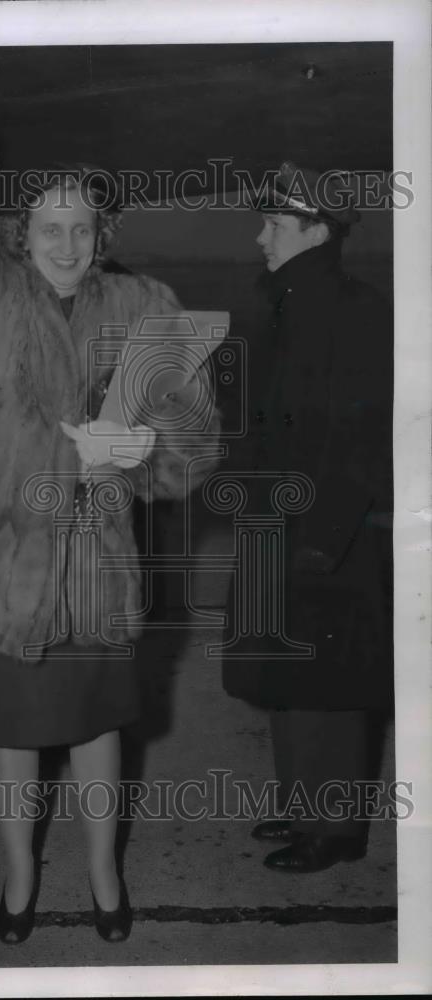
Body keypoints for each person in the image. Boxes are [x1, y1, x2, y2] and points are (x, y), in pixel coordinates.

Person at [0, 85, 222, 942]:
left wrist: (137, 454)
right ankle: (19, 877)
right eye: (49, 227)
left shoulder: (144, 308)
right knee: (10, 738)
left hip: (94, 569)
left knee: (96, 733)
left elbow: (192, 437)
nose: (65, 244)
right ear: (23, 232)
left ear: (103, 238)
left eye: (83, 228)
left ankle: (102, 871)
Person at [221, 161, 393, 872]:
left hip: (325, 528)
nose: (261, 237)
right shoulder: (295, 301)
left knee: (329, 679)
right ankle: (301, 803)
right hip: (281, 518)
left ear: (317, 231)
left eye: (275, 224)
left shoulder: (348, 308)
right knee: (288, 670)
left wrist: (321, 541)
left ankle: (336, 831)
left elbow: (361, 436)